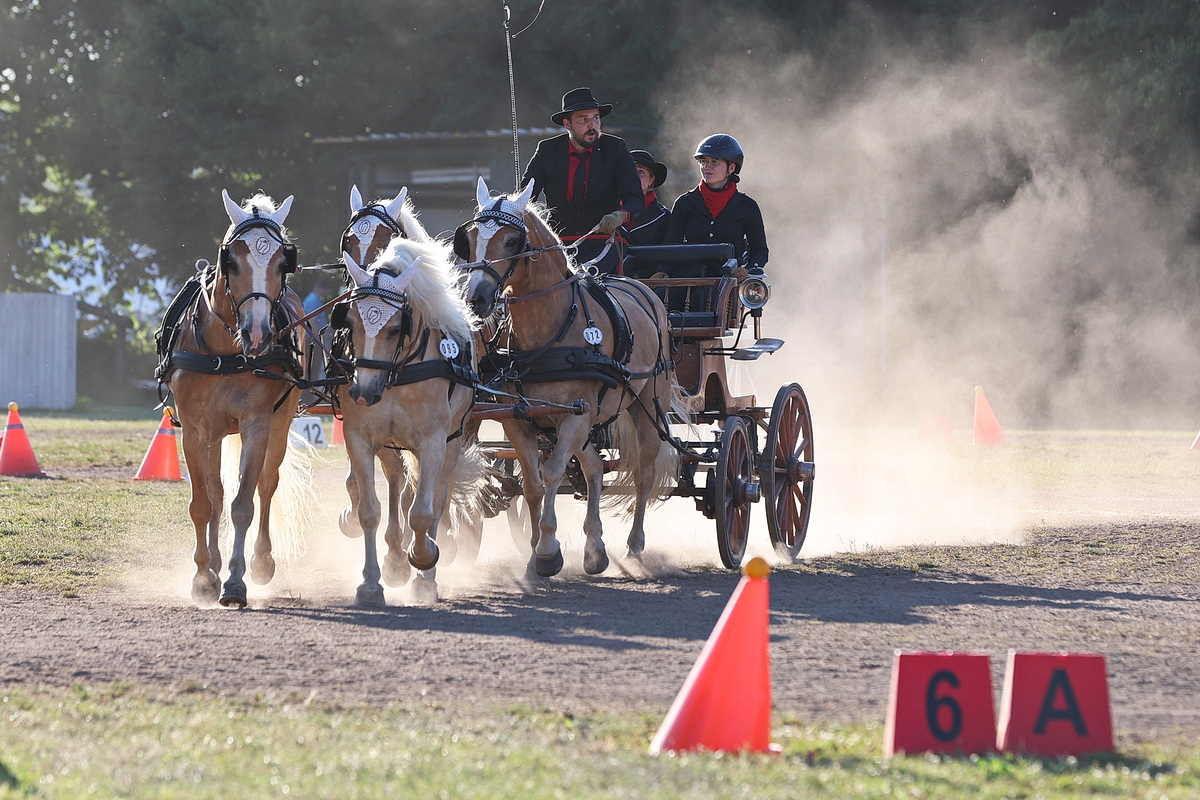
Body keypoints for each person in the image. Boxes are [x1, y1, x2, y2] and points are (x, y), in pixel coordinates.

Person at [520, 87, 644, 274]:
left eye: (595, 118)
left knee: (592, 282)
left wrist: (620, 215)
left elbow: (635, 198)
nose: (592, 125)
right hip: (556, 243)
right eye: (583, 119)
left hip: (603, 241)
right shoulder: (548, 150)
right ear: (567, 124)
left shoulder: (615, 148)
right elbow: (526, 195)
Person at [663, 134, 768, 310]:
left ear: (731, 168)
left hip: (724, 280)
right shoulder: (684, 202)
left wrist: (748, 270)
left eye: (714, 162)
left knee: (702, 300)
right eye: (703, 162)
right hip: (687, 277)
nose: (706, 167)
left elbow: (760, 250)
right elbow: (670, 244)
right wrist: (663, 271)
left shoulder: (747, 206)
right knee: (655, 301)